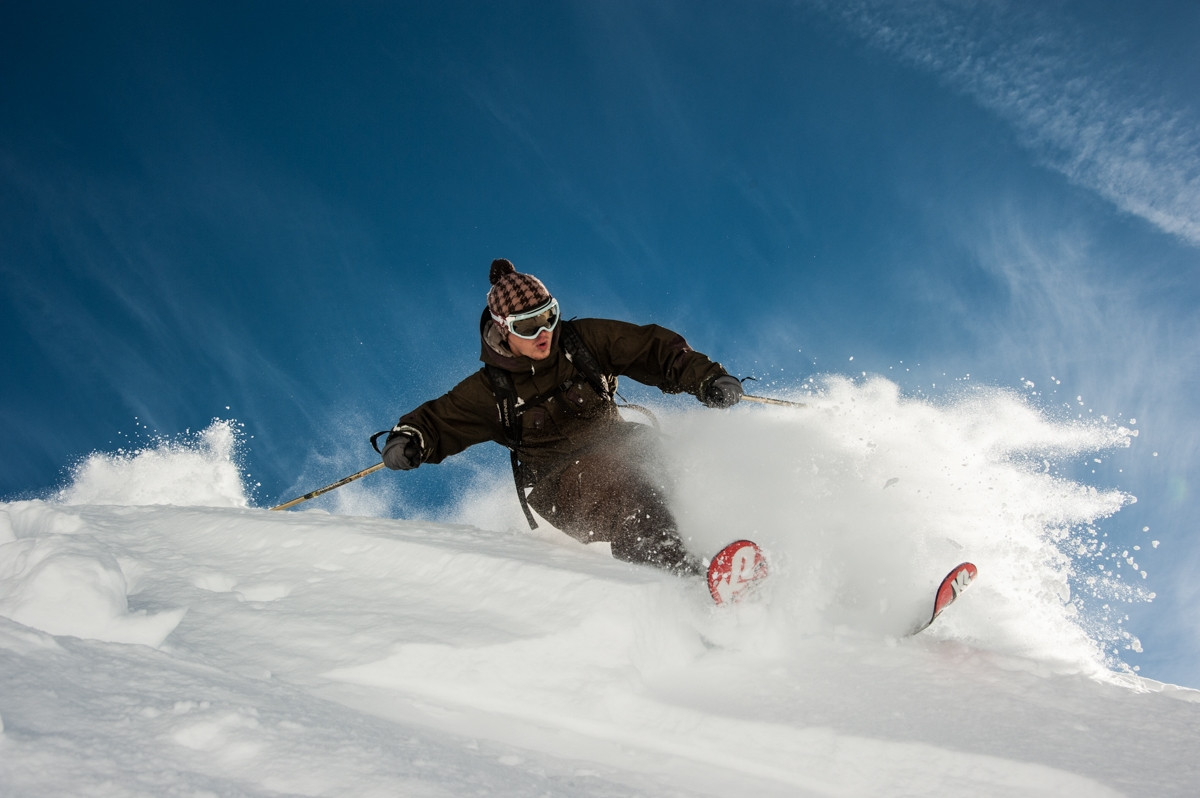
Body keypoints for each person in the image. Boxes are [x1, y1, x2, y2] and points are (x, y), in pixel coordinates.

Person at [378, 258, 744, 576]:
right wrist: (409, 439)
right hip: (561, 485)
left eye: (548, 318)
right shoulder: (491, 389)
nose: (543, 334)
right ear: (503, 329)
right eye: (527, 326)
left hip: (622, 446)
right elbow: (439, 420)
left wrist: (707, 377)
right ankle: (683, 575)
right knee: (626, 488)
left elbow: (650, 349)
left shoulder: (580, 342)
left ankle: (724, 549)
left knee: (673, 463)